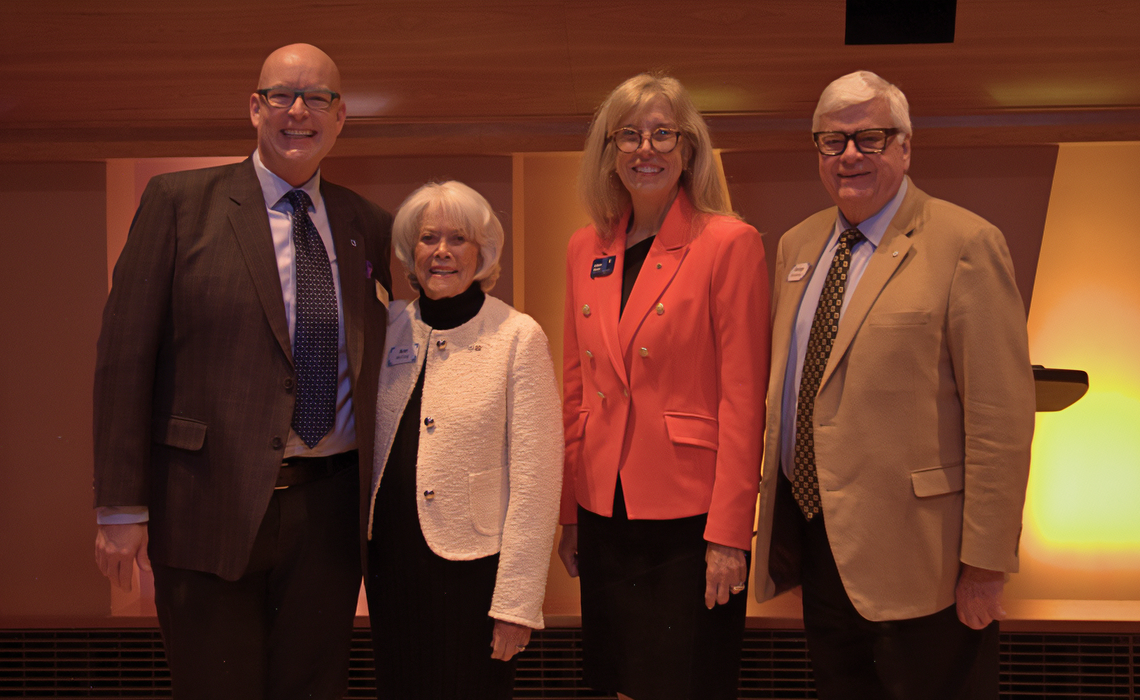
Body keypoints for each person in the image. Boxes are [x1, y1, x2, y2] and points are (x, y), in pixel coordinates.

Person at [92, 44, 393, 700]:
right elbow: (124, 359)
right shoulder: (177, 202)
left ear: (340, 118)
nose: (298, 110)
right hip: (205, 503)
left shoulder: (363, 223)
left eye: (318, 98)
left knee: (314, 688)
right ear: (253, 108)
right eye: (282, 94)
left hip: (330, 509)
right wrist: (120, 506)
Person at [753, 70, 1036, 700]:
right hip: (820, 544)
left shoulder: (965, 243)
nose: (849, 155)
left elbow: (1001, 420)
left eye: (869, 137)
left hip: (927, 563)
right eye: (832, 141)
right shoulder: (798, 245)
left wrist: (986, 565)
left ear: (906, 146)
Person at [557, 73, 770, 700]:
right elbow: (577, 387)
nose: (644, 149)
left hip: (691, 516)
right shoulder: (584, 248)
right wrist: (570, 512)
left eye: (662, 134)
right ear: (609, 151)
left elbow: (743, 398)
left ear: (688, 150)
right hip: (603, 508)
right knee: (614, 680)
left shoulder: (729, 243)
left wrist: (731, 533)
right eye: (629, 135)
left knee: (683, 681)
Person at [365, 181, 563, 699]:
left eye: (459, 239)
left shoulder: (518, 336)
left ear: (482, 252)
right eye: (429, 238)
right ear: (412, 251)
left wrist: (517, 605)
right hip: (392, 568)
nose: (443, 252)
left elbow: (538, 485)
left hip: (474, 573)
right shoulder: (387, 329)